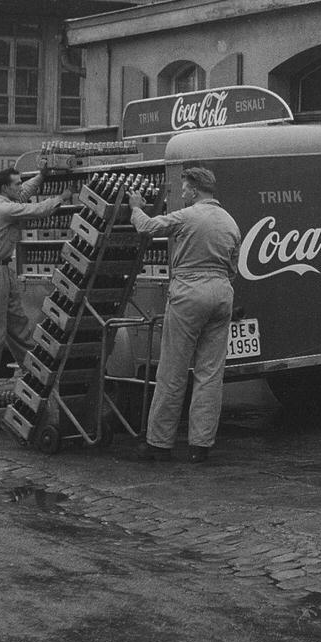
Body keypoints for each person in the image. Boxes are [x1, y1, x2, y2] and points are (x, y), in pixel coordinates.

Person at [127, 165, 240, 464]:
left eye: (184, 187)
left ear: (194, 188)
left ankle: (159, 444)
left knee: (173, 370)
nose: (182, 192)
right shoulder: (230, 222)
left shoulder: (189, 216)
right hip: (221, 292)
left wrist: (136, 208)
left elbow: (148, 228)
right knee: (210, 374)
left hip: (190, 290)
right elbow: (233, 268)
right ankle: (200, 446)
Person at [0, 168, 73, 396]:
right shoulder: (2, 208)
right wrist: (60, 199)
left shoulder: (0, 201)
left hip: (2, 269)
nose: (20, 186)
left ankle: (35, 374)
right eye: (16, 184)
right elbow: (33, 209)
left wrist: (42, 176)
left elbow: (24, 194)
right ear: (5, 188)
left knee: (17, 325)